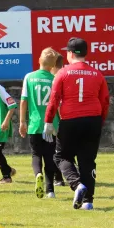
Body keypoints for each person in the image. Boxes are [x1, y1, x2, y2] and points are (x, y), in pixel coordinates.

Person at [44, 37, 110, 210]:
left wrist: (48, 121)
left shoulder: (63, 73)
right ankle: (88, 202)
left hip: (71, 119)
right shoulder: (97, 74)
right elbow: (105, 100)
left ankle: (76, 184)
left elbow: (54, 99)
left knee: (61, 156)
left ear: (71, 53)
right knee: (88, 160)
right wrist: (100, 121)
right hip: (93, 119)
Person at [19, 48, 61, 199]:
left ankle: (38, 174)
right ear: (53, 65)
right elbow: (59, 104)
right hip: (51, 125)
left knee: (36, 154)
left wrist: (22, 121)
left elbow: (24, 100)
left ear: (39, 60)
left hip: (35, 125)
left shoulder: (29, 77)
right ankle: (50, 190)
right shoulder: (55, 79)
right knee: (50, 157)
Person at [52, 53, 65, 187]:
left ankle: (58, 178)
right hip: (70, 118)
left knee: (55, 151)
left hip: (58, 121)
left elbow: (57, 102)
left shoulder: (56, 78)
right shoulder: (67, 75)